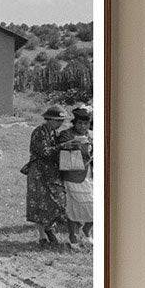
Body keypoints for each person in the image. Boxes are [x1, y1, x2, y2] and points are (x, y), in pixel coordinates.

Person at [24, 105, 68, 247]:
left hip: (51, 171)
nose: (60, 124)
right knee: (39, 202)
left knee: (58, 199)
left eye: (61, 121)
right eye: (57, 121)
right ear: (48, 119)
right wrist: (63, 146)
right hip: (38, 171)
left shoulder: (53, 133)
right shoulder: (39, 132)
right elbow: (44, 152)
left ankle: (49, 227)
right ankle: (42, 235)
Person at [59, 105, 95, 247]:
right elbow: (59, 148)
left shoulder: (92, 135)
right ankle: (73, 236)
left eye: (85, 123)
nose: (82, 126)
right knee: (73, 206)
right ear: (75, 122)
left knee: (94, 205)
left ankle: (87, 229)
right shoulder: (66, 134)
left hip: (88, 174)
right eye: (79, 123)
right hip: (71, 174)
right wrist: (72, 144)